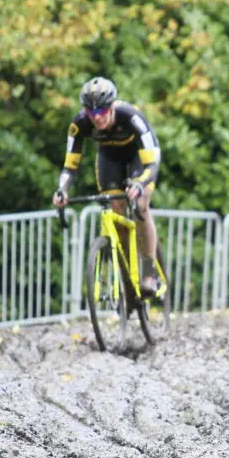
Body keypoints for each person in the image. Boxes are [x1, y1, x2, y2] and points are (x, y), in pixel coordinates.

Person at [52, 77, 162, 295]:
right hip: (109, 158)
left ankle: (150, 271)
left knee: (140, 206)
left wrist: (140, 184)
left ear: (112, 106)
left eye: (102, 111)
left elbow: (152, 162)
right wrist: (62, 190)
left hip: (139, 158)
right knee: (116, 207)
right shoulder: (79, 124)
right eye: (92, 113)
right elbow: (70, 166)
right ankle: (127, 273)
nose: (97, 117)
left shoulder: (131, 117)